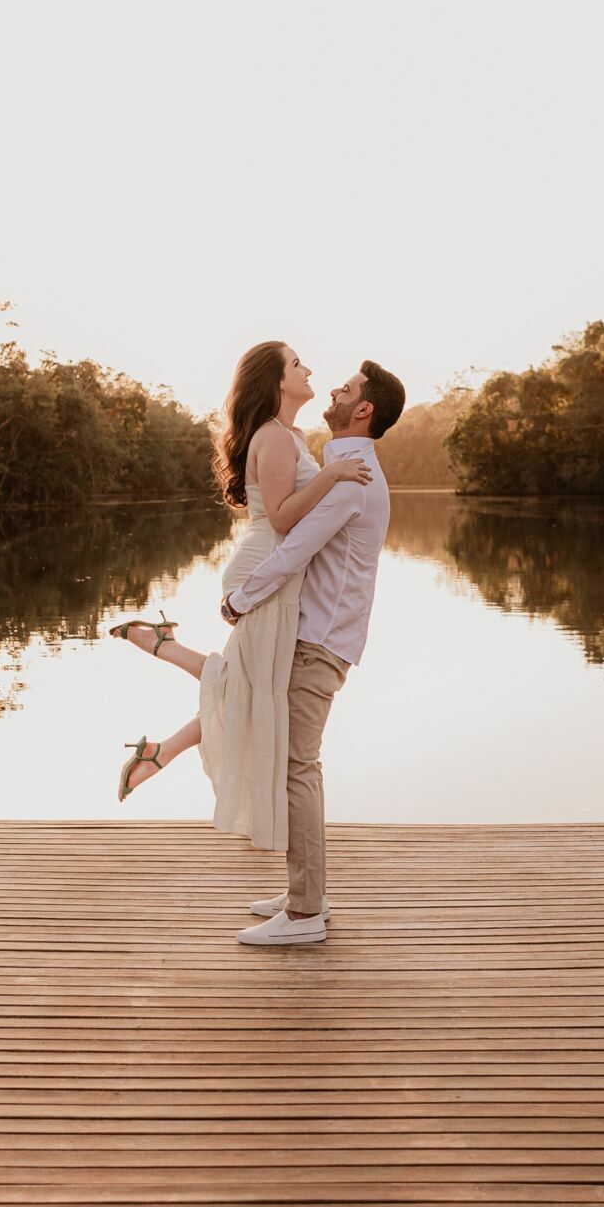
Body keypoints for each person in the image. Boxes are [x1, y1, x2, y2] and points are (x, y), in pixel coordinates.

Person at [109, 341, 370, 859]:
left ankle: (162, 730)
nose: (309, 369)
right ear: (275, 381)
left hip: (280, 576)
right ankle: (163, 665)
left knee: (250, 688)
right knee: (251, 689)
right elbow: (282, 518)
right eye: (297, 364)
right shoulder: (272, 436)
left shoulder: (291, 436)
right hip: (264, 572)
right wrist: (332, 474)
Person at [224, 359, 404, 946]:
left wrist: (239, 600)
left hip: (320, 640)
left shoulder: (352, 477)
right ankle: (308, 891)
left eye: (347, 389)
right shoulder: (343, 469)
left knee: (297, 767)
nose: (334, 388)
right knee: (300, 765)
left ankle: (304, 914)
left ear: (363, 410)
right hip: (324, 636)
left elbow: (294, 549)